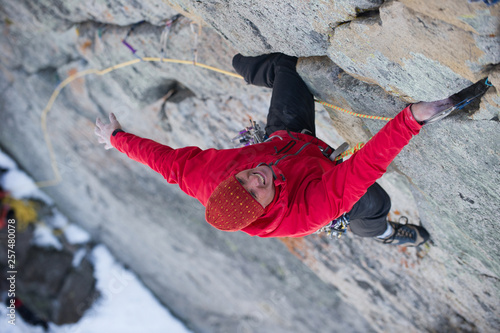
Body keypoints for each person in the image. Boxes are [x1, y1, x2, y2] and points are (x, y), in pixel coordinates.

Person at [94, 53, 489, 246]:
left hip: (286, 142)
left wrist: (116, 138)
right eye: (255, 192)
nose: (254, 178)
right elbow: (365, 166)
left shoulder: (205, 178)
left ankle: (256, 70)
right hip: (323, 179)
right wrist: (412, 118)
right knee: (373, 204)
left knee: (287, 69)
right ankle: (386, 235)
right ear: (264, 210)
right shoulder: (305, 212)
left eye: (243, 179)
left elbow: (163, 163)